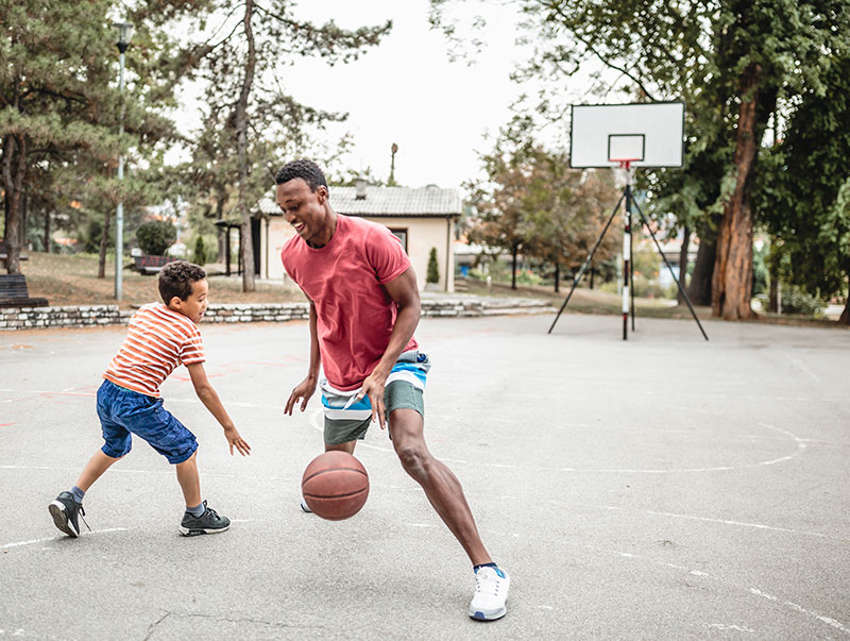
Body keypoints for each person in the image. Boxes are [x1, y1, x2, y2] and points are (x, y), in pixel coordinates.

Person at [277, 159, 509, 621]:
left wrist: (382, 371)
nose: (291, 216)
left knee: (412, 452)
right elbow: (317, 309)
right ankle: (330, 481)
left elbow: (410, 305)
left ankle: (488, 569)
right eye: (284, 209)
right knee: (335, 466)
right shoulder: (292, 254)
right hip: (341, 377)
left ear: (322, 194)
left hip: (397, 361)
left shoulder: (373, 240)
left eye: (298, 204)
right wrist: (311, 373)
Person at [48, 261, 251, 539]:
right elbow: (202, 388)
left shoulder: (146, 310)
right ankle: (195, 515)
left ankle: (71, 497)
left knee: (115, 445)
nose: (206, 305)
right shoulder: (189, 332)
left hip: (107, 391)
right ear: (178, 302)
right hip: (137, 400)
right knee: (186, 448)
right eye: (201, 299)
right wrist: (228, 426)